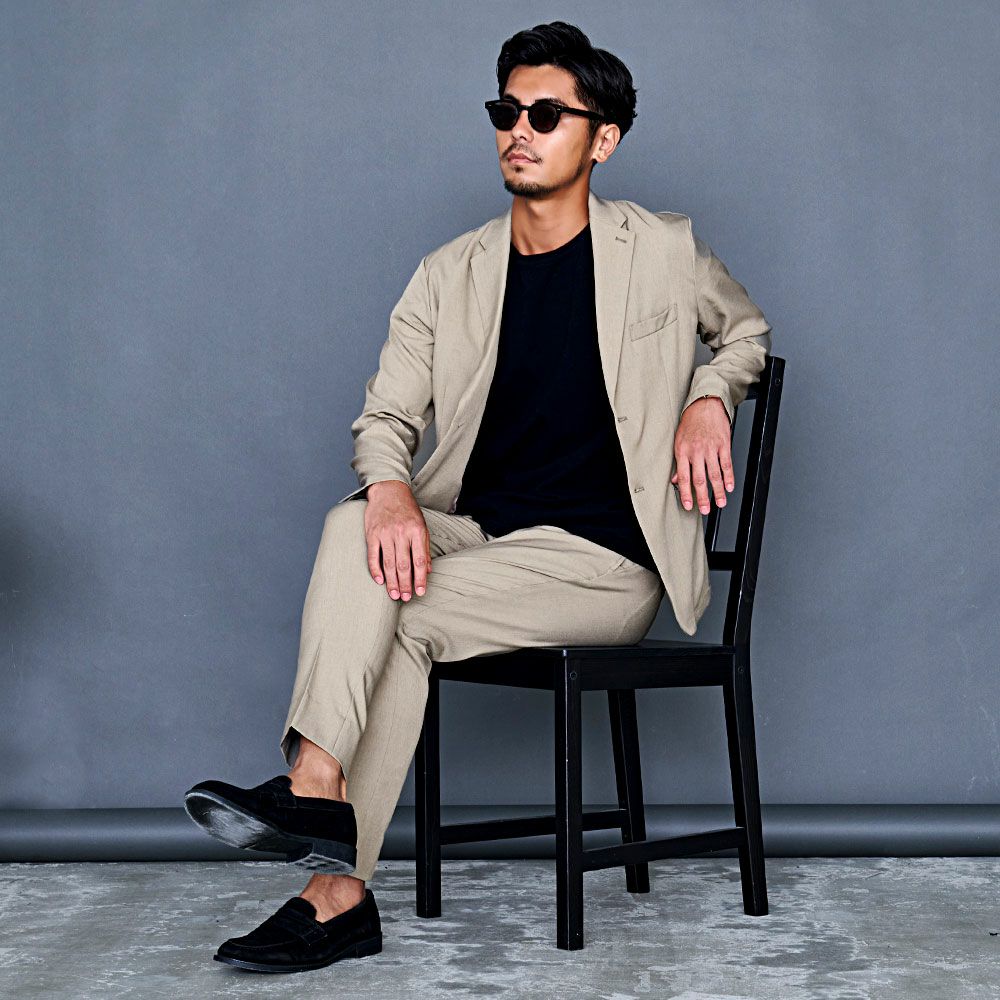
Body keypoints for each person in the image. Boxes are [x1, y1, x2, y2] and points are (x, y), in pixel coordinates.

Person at [184, 19, 772, 974]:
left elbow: (745, 334)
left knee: (400, 617)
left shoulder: (663, 249)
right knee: (354, 523)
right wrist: (388, 490)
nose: (519, 131)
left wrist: (709, 395)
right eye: (506, 111)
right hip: (481, 536)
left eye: (546, 114)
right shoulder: (448, 273)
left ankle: (332, 879)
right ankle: (320, 800)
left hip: (603, 564)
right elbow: (385, 418)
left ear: (603, 139)